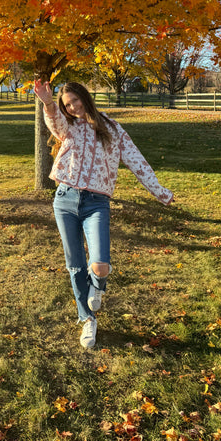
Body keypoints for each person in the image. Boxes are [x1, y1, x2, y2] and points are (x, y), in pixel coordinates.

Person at [33, 80, 174, 349]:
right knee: (75, 265)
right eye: (67, 105)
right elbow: (54, 123)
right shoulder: (69, 127)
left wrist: (160, 192)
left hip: (96, 203)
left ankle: (97, 287)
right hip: (65, 199)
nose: (72, 107)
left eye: (74, 101)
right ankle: (88, 320)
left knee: (100, 265)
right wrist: (49, 103)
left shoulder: (113, 130)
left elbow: (137, 161)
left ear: (85, 98)